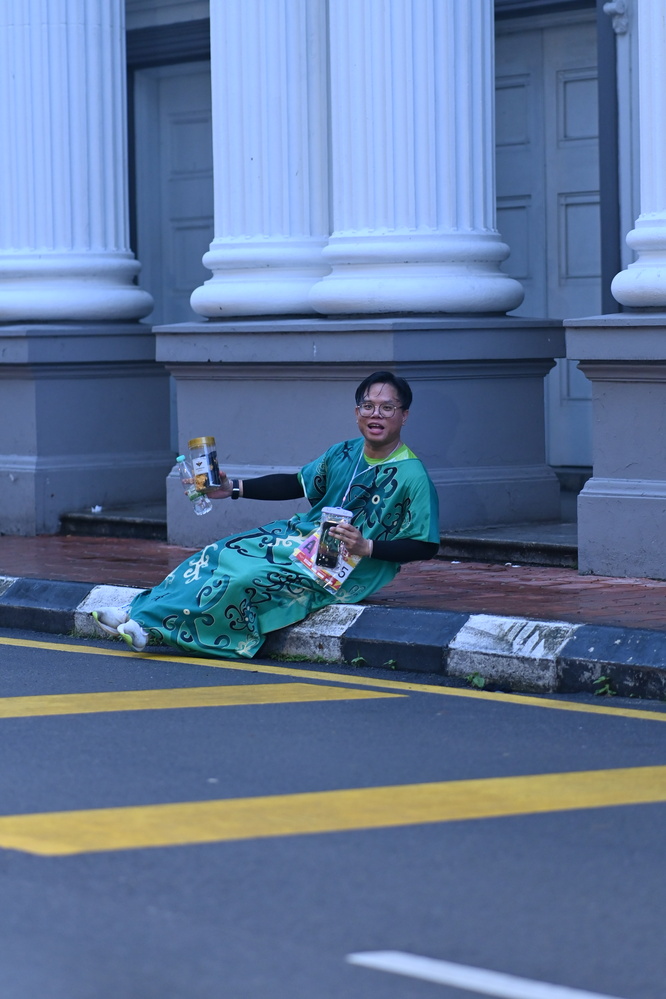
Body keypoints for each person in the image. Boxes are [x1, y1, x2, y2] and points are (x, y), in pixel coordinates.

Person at [93, 371, 440, 657]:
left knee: (245, 578)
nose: (376, 414)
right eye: (368, 406)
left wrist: (366, 547)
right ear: (357, 412)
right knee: (219, 553)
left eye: (387, 407)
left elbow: (425, 544)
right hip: (301, 539)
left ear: (404, 416)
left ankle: (152, 630)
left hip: (344, 567)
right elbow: (296, 483)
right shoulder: (344, 452)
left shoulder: (412, 475)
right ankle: (136, 611)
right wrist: (232, 488)